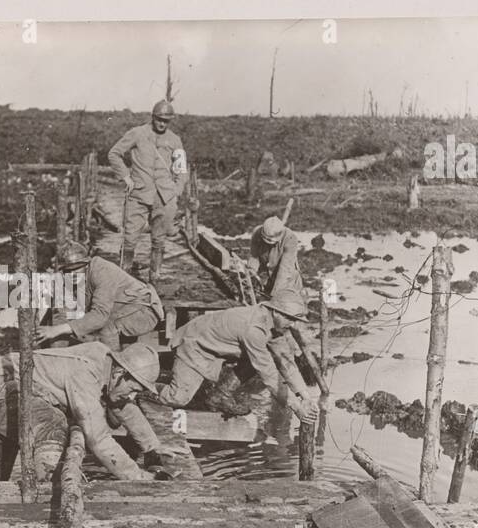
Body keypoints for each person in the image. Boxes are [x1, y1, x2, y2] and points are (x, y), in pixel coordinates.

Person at [0, 341, 166, 482]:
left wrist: (152, 448)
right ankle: (47, 490)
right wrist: (136, 476)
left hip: (11, 386)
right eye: (133, 390)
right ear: (120, 373)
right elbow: (98, 438)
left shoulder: (107, 362)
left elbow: (120, 402)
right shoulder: (84, 374)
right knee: (53, 423)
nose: (131, 397)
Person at [155, 291, 319, 424]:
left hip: (217, 347)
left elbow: (286, 361)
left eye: (294, 320)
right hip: (194, 344)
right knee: (177, 398)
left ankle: (220, 395)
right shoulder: (253, 329)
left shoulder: (274, 325)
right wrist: (296, 406)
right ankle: (143, 385)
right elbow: (268, 373)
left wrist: (305, 396)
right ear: (276, 312)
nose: (292, 324)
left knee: (261, 358)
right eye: (289, 318)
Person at [107, 99, 188, 284]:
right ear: (153, 117)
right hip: (139, 194)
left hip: (164, 197)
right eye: (159, 119)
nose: (162, 123)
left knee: (159, 240)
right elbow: (114, 153)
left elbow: (181, 169)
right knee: (130, 238)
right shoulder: (137, 133)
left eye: (166, 121)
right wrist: (126, 177)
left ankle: (155, 280)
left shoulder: (175, 140)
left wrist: (176, 190)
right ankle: (124, 278)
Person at [35, 241, 164, 351]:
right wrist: (57, 351)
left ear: (87, 264)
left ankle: (112, 370)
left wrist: (57, 330)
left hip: (144, 309)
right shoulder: (65, 279)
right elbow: (61, 315)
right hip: (116, 309)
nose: (73, 274)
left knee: (107, 327)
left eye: (77, 268)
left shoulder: (102, 270)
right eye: (68, 270)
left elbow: (100, 316)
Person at [244, 215, 305, 301]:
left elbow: (285, 269)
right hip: (266, 275)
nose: (269, 244)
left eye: (272, 242)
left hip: (286, 279)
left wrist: (275, 294)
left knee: (288, 304)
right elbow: (254, 256)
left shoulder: (290, 238)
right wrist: (251, 275)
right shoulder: (257, 233)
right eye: (266, 241)